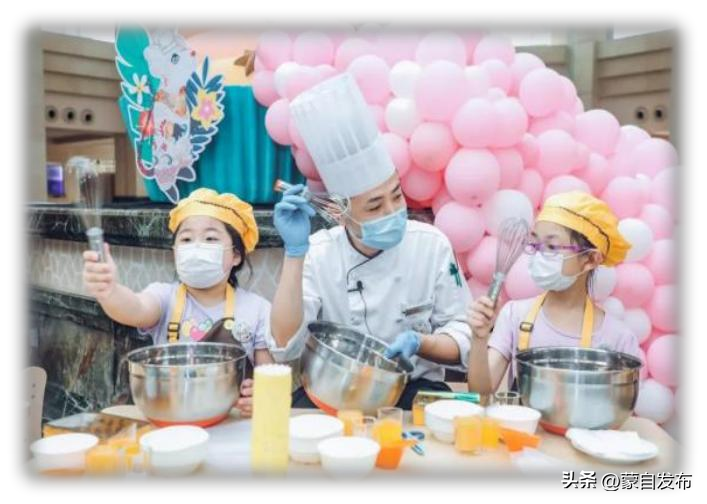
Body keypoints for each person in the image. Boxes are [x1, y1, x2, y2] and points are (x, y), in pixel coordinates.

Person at [267, 74, 472, 410]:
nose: (392, 212)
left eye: (396, 196)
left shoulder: (431, 245)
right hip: (332, 388)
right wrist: (294, 253)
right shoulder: (319, 253)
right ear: (340, 214)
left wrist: (421, 343)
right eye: (375, 206)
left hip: (413, 388)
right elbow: (283, 343)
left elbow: (463, 333)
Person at [82, 188, 273, 417]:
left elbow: (271, 379)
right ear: (175, 252)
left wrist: (262, 395)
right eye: (186, 239)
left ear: (236, 255)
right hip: (172, 417)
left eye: (210, 238)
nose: (196, 247)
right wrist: (109, 290)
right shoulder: (164, 297)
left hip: (233, 420)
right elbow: (134, 308)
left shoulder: (257, 309)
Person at [467, 191, 641, 397]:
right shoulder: (515, 315)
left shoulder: (618, 338)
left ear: (590, 259)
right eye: (535, 244)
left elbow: (620, 409)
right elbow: (480, 394)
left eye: (551, 246)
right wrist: (479, 338)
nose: (539, 255)